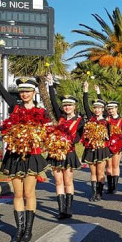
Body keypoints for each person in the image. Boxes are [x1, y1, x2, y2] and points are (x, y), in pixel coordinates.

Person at [0, 47, 50, 242]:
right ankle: (19, 230)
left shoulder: (42, 112)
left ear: (33, 92)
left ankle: (29, 230)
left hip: (32, 156)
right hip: (14, 156)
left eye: (28, 91)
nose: (24, 94)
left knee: (29, 192)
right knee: (18, 193)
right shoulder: (14, 107)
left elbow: (47, 135)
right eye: (22, 91)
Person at [47, 75, 84, 220]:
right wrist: (50, 85)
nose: (67, 107)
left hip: (68, 153)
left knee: (68, 181)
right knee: (58, 181)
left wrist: (67, 141)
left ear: (74, 106)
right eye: (65, 105)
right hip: (56, 153)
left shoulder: (80, 121)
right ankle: (61, 209)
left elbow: (79, 137)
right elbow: (53, 103)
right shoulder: (60, 117)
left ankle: (68, 208)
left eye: (70, 105)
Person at [81, 82, 112, 201]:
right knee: (92, 172)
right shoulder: (90, 119)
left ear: (103, 109)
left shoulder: (106, 121)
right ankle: (94, 193)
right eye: (95, 108)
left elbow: (108, 136)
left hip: (101, 149)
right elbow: (85, 105)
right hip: (90, 149)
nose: (97, 110)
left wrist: (99, 92)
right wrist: (86, 90)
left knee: (100, 172)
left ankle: (99, 193)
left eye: (99, 108)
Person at [104, 100, 122, 194]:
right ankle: (110, 186)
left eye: (112, 108)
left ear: (116, 108)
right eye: (109, 109)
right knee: (108, 166)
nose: (111, 110)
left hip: (117, 144)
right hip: (108, 144)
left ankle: (115, 186)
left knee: (115, 165)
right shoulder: (106, 120)